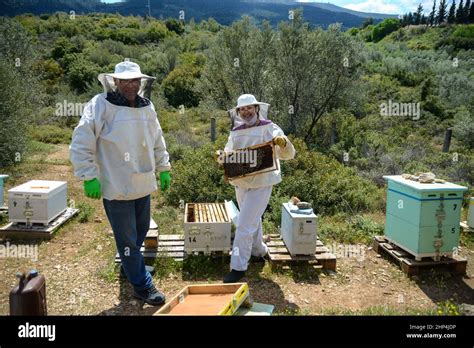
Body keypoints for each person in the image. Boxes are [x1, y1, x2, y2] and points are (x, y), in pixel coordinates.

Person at [69, 60, 171, 305]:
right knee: (126, 238)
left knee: (141, 230)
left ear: (140, 82)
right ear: (115, 81)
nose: (130, 85)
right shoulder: (99, 105)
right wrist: (88, 175)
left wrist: (164, 167)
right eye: (125, 80)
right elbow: (82, 139)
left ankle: (130, 264)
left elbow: (157, 139)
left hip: (142, 181)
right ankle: (142, 286)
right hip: (115, 183)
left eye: (134, 80)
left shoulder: (148, 107)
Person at [220, 94, 295, 283]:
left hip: (262, 183)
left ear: (256, 109)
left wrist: (283, 143)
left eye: (249, 108)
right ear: (238, 112)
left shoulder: (270, 127)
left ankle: (238, 267)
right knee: (253, 219)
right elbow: (229, 153)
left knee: (244, 224)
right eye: (242, 109)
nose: (246, 112)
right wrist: (222, 157)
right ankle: (259, 251)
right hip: (241, 182)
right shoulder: (236, 131)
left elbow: (287, 151)